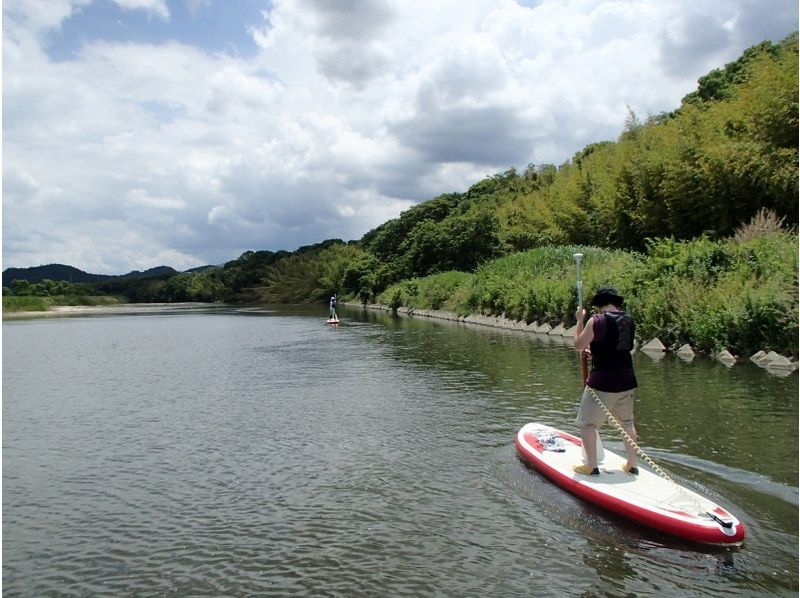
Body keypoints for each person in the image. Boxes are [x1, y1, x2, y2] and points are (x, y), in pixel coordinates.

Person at [572, 286, 638, 476]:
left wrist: (579, 321)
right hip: (627, 379)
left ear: (599, 304)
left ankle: (592, 467)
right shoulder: (628, 319)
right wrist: (594, 352)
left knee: (587, 424)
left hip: (603, 382)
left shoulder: (597, 320)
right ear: (616, 302)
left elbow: (578, 345)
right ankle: (632, 464)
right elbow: (616, 347)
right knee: (627, 423)